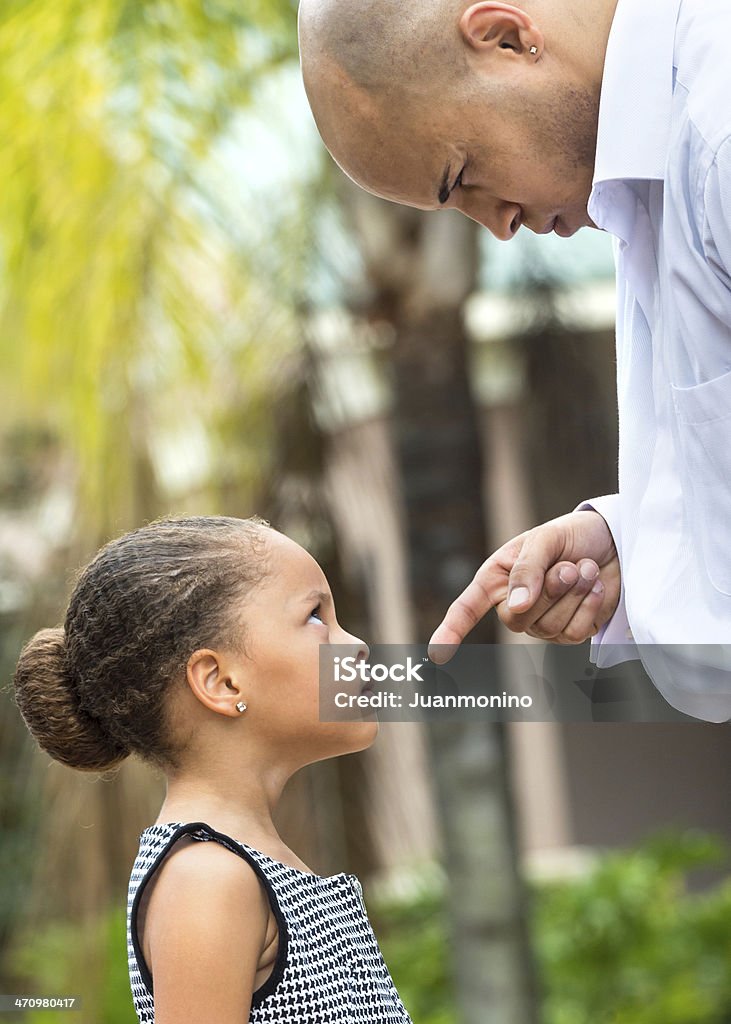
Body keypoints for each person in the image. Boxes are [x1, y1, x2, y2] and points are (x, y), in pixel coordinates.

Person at [297, 0, 731, 723]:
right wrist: (642, 537)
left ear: (506, 36)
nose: (497, 226)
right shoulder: (654, 166)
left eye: (461, 176)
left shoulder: (717, 128)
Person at [13, 515, 413, 1024]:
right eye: (316, 617)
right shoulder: (208, 877)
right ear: (221, 682)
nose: (355, 644)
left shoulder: (250, 863)